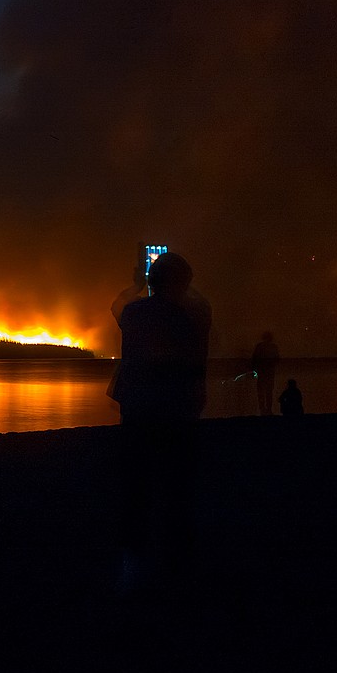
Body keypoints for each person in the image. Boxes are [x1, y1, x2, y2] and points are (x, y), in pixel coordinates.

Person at [110, 251, 212, 591]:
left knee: (136, 485)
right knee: (177, 485)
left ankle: (134, 564)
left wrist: (137, 285)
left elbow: (118, 305)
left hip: (138, 407)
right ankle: (177, 562)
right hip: (176, 408)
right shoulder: (191, 315)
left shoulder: (135, 312)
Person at [251, 331, 280, 415]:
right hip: (270, 372)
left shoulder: (260, 346)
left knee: (261, 392)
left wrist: (254, 369)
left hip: (262, 372)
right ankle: (268, 410)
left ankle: (262, 409)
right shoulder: (273, 347)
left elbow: (254, 359)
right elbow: (277, 359)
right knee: (269, 392)